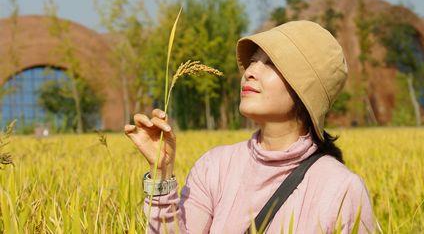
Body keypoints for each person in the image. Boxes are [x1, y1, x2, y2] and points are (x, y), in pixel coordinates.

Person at [124, 20, 375, 233]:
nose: (251, 72)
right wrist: (162, 173)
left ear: (305, 90)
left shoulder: (341, 189)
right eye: (253, 61)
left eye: (271, 63)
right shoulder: (216, 167)